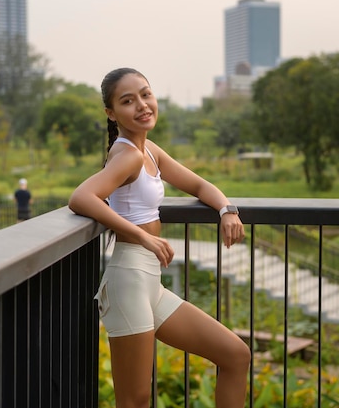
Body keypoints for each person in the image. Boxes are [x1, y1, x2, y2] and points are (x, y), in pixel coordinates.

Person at [68, 68, 250, 408]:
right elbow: (82, 197)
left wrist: (227, 209)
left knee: (235, 355)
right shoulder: (128, 155)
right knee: (135, 400)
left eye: (145, 94)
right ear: (111, 113)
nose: (142, 105)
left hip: (150, 285)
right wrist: (143, 237)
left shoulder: (149, 150)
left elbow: (198, 185)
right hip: (128, 281)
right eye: (127, 101)